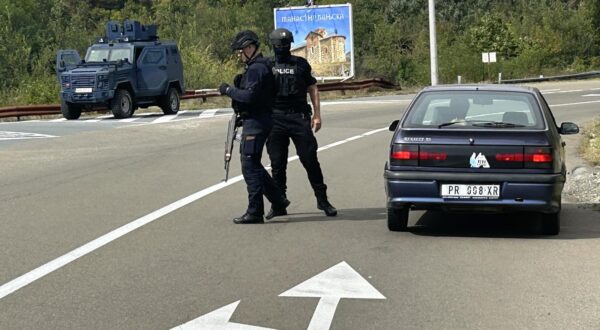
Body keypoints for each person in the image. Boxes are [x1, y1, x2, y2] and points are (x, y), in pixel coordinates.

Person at [265, 28, 337, 219]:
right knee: (277, 164)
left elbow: (312, 87)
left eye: (286, 44)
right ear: (273, 45)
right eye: (280, 44)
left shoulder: (301, 64)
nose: (283, 47)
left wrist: (317, 114)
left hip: (298, 117)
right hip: (275, 118)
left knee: (310, 159)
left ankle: (323, 200)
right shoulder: (266, 65)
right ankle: (279, 203)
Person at [219, 30, 290, 224]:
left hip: (257, 123)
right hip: (258, 120)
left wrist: (228, 90)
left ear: (250, 48)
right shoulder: (259, 66)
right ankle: (278, 199)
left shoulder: (257, 69)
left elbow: (249, 96)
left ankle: (255, 211)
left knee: (249, 166)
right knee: (254, 164)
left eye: (241, 51)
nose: (239, 55)